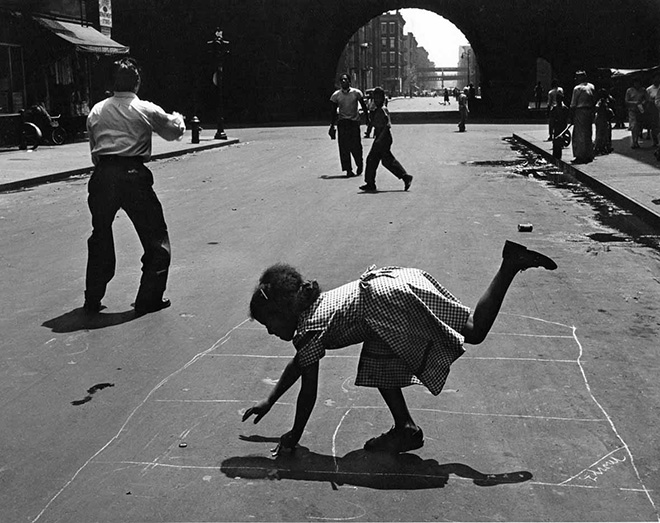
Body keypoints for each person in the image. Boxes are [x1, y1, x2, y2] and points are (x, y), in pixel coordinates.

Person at [242, 240, 558, 455]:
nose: (270, 332)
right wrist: (270, 400)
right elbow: (299, 364)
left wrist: (293, 437)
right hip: (396, 281)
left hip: (387, 301)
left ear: (284, 313)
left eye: (269, 324)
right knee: (381, 362)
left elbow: (307, 389)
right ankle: (405, 428)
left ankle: (509, 265)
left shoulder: (309, 329)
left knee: (473, 332)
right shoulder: (315, 308)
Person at [83, 57, 185, 315]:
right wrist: (179, 119)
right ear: (137, 82)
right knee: (155, 239)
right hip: (133, 174)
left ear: (112, 83)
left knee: (100, 236)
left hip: (103, 175)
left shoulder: (96, 110)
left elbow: (94, 151)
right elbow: (174, 131)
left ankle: (93, 297)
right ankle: (148, 298)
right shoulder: (144, 108)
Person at [358, 87, 413, 193]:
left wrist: (379, 139)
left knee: (376, 159)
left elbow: (387, 126)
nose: (377, 100)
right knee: (382, 160)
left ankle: (404, 177)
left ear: (383, 98)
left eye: (379, 98)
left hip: (384, 137)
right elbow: (373, 124)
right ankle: (371, 182)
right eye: (375, 98)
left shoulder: (383, 109)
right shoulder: (376, 109)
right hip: (380, 137)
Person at [329, 74, 370, 177]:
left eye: (345, 80)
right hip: (343, 123)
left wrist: (368, 119)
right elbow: (333, 111)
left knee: (356, 146)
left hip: (354, 122)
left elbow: (364, 107)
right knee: (344, 147)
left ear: (349, 82)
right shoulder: (336, 95)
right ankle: (348, 169)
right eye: (342, 80)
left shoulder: (356, 93)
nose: (343, 81)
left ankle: (359, 164)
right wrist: (332, 125)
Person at [569, 71, 595, 163]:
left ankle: (580, 155)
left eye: (577, 77)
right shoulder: (591, 86)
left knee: (579, 134)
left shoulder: (577, 88)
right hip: (589, 111)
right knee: (588, 133)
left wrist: (571, 117)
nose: (576, 79)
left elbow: (573, 104)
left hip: (580, 111)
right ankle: (589, 154)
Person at [625, 77, 649, 149]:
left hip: (640, 111)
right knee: (633, 126)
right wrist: (634, 103)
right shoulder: (629, 90)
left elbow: (647, 99)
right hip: (632, 111)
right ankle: (634, 141)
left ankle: (636, 141)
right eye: (636, 83)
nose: (637, 84)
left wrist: (643, 103)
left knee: (638, 127)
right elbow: (626, 101)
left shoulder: (643, 90)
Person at [594, 88, 615, 155]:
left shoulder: (607, 100)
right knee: (602, 134)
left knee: (605, 134)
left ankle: (605, 147)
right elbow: (596, 107)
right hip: (602, 119)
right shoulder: (601, 101)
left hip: (604, 119)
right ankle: (600, 147)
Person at [549, 91, 570, 159]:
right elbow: (552, 120)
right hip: (558, 127)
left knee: (558, 143)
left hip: (561, 127)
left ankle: (557, 158)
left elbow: (566, 118)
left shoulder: (563, 108)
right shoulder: (559, 108)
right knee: (556, 143)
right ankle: (556, 157)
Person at [646, 75, 660, 147]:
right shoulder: (649, 89)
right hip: (653, 109)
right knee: (654, 125)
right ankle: (655, 141)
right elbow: (647, 100)